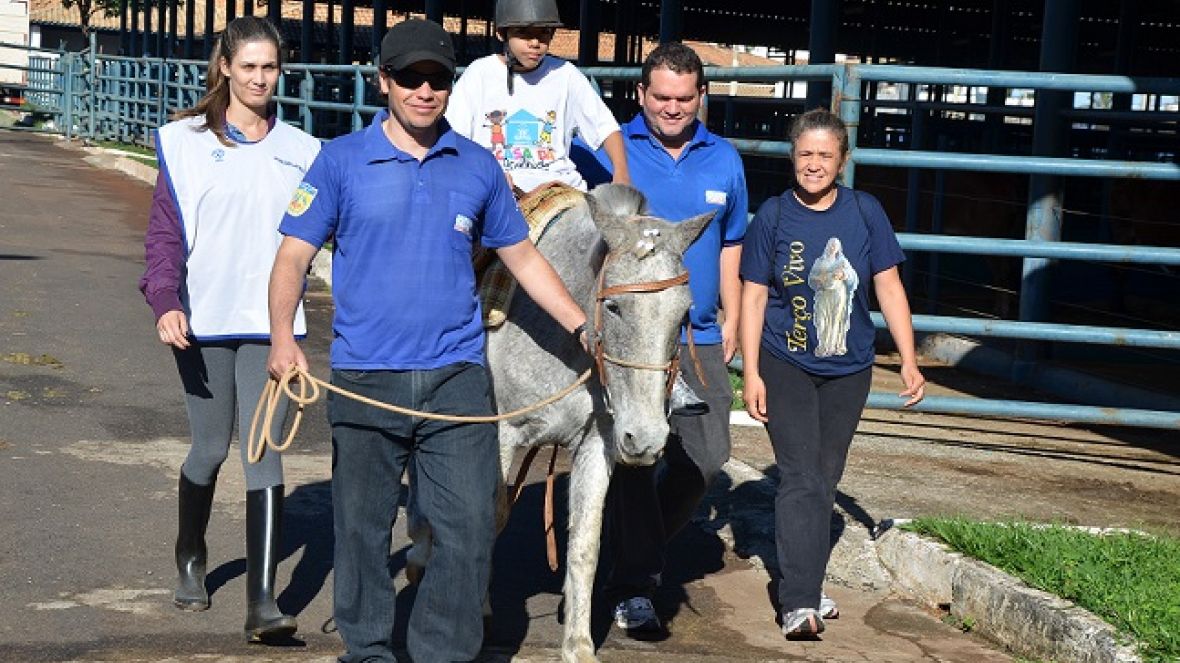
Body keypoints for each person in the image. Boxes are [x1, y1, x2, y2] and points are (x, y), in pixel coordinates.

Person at [266, 19, 590, 663]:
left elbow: (521, 256)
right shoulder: (339, 162)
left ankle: (444, 649)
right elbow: (291, 258)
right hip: (365, 376)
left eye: (436, 79)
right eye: (409, 78)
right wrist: (283, 339)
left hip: (456, 377)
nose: (423, 91)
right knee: (360, 530)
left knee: (469, 526)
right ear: (383, 80)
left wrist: (583, 324)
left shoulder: (478, 166)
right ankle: (369, 650)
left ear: (450, 85)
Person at [138, 16, 320, 642]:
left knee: (262, 453)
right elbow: (164, 237)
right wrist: (164, 300)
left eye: (269, 67)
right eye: (248, 66)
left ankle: (262, 601)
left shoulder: (302, 149)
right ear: (224, 67)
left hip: (272, 327)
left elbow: (325, 239)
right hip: (202, 322)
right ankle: (191, 554)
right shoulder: (184, 143)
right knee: (211, 449)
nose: (260, 78)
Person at [738, 107, 926, 639]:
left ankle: (806, 576)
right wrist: (750, 371)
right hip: (786, 360)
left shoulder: (865, 212)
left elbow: (887, 286)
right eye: (805, 154)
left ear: (841, 161)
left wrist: (908, 359)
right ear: (792, 157)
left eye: (825, 155)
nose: (814, 164)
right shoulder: (773, 216)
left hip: (850, 367)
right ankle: (798, 602)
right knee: (799, 475)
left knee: (825, 476)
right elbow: (753, 297)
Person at [601, 42, 748, 636]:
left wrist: (733, 315)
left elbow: (733, 242)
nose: (672, 108)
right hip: (637, 338)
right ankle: (635, 583)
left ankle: (629, 547)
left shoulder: (725, 160)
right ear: (640, 95)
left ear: (701, 97)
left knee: (708, 457)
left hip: (701, 333)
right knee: (638, 454)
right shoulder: (615, 153)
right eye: (661, 97)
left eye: (685, 98)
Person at [445, 0, 630, 194]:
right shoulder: (479, 73)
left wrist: (622, 174)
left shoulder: (566, 74)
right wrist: (484, 174)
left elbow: (606, 128)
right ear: (502, 33)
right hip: (496, 190)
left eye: (544, 33)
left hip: (560, 191)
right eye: (524, 33)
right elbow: (455, 137)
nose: (535, 43)